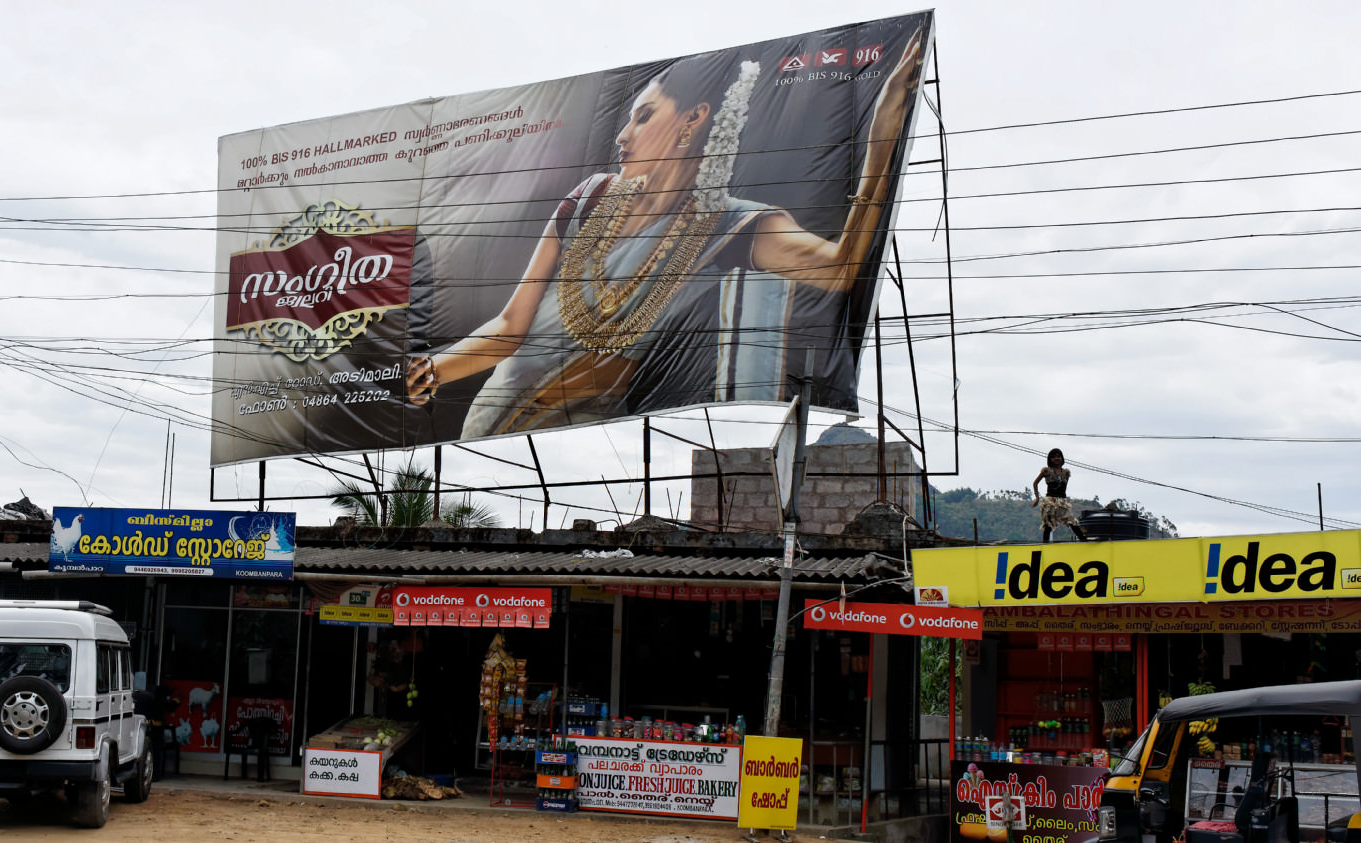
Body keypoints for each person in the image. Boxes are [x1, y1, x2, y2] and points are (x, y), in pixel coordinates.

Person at [407, 34, 924, 436]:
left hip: (582, 431)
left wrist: (881, 135)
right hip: (490, 420)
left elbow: (840, 269)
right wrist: (433, 368)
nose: (623, 134)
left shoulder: (731, 227)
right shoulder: (588, 199)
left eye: (644, 116)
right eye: (628, 118)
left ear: (694, 118)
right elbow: (510, 327)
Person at [1032, 448, 1089, 542]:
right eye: (1054, 456)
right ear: (1050, 459)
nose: (1057, 458)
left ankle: (1083, 539)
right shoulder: (1046, 471)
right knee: (1048, 523)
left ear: (1062, 458)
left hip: (1062, 501)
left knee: (1072, 520)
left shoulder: (1066, 473)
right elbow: (1035, 483)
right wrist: (1037, 497)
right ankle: (1045, 545)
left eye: (1059, 456)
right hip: (1050, 501)